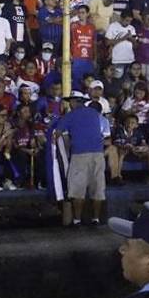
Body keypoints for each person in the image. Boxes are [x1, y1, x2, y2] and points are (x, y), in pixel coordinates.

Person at [55, 91, 109, 225]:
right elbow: (105, 136)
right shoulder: (97, 114)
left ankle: (77, 220)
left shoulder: (69, 116)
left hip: (79, 154)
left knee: (77, 189)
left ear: (74, 102)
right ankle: (95, 219)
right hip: (98, 154)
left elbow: (57, 134)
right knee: (98, 188)